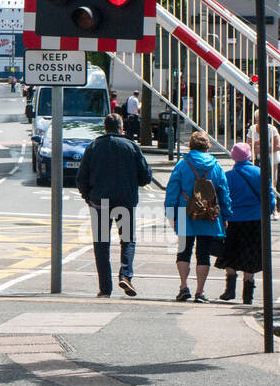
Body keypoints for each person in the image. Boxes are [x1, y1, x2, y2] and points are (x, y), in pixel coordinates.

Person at [76, 113, 153, 297]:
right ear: (121, 127)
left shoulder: (94, 146)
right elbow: (146, 177)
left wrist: (88, 197)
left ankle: (104, 288)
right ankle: (125, 275)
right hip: (125, 200)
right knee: (127, 240)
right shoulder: (131, 146)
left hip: (99, 202)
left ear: (105, 127)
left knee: (101, 244)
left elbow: (81, 178)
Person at [164, 131, 233, 303]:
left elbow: (172, 190)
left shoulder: (182, 165)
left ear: (191, 146)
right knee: (203, 254)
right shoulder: (216, 167)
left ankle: (183, 286)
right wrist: (226, 215)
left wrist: (170, 213)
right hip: (209, 214)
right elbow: (224, 193)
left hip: (183, 212)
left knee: (183, 251)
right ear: (207, 146)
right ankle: (200, 291)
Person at [215, 143, 268, 304]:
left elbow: (222, 199)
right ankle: (248, 294)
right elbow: (269, 197)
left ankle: (230, 290)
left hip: (233, 220)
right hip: (255, 220)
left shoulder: (228, 176)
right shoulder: (260, 173)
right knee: (250, 254)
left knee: (231, 252)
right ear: (249, 156)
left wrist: (223, 216)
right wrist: (268, 211)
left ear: (233, 157)